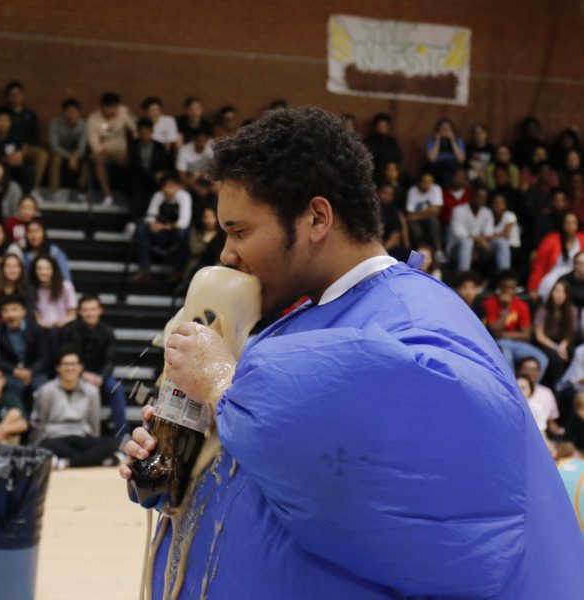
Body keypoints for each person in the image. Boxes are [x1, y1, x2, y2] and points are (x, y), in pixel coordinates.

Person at [119, 107, 584, 597]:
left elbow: (419, 430)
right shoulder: (299, 318)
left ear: (317, 218)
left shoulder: (417, 313)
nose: (226, 255)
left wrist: (222, 385)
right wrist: (176, 462)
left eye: (240, 231)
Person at [30, 349, 120, 470]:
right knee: (48, 446)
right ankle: (97, 459)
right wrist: (37, 447)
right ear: (58, 368)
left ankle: (67, 462)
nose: (70, 368)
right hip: (55, 437)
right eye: (65, 364)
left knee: (111, 444)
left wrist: (93, 441)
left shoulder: (92, 391)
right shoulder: (47, 390)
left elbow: (94, 423)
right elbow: (40, 422)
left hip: (81, 436)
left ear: (80, 367)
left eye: (73, 364)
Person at [60, 295, 127, 437]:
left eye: (93, 309)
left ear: (100, 310)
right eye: (85, 310)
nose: (89, 313)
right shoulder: (70, 330)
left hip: (100, 375)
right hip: (74, 373)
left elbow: (110, 360)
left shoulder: (107, 332)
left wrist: (100, 378)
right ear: (79, 312)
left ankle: (122, 436)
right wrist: (82, 374)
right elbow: (65, 356)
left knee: (116, 388)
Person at [483, 270, 549, 377]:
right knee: (506, 357)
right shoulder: (490, 303)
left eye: (512, 288)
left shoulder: (521, 305)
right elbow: (494, 332)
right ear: (500, 287)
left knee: (542, 359)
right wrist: (505, 309)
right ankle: (512, 390)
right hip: (497, 344)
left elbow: (526, 335)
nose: (509, 291)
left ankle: (528, 388)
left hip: (517, 344)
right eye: (505, 288)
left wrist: (505, 335)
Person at [133, 174, 192, 282]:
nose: (166, 189)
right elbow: (150, 216)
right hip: (160, 233)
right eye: (164, 186)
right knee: (142, 229)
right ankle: (144, 269)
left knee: (184, 233)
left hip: (175, 233)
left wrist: (164, 227)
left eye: (170, 186)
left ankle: (179, 271)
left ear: (177, 187)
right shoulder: (158, 195)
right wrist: (152, 224)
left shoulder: (184, 196)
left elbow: (184, 222)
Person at [0, 295, 49, 401]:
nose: (10, 314)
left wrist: (31, 372)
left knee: (41, 386)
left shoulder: (37, 330)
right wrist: (15, 371)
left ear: (23, 312)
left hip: (35, 371)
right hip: (11, 372)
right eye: (5, 311)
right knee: (12, 385)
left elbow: (44, 358)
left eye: (14, 310)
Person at [88, 92, 136, 206]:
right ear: (103, 107)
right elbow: (94, 144)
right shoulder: (93, 119)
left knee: (134, 161)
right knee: (98, 159)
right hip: (103, 153)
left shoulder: (123, 112)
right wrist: (104, 151)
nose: (112, 111)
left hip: (122, 151)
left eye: (114, 107)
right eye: (109, 108)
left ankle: (134, 192)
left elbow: (135, 130)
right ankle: (108, 195)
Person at [529, 211, 584, 301]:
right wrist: (533, 288)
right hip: (555, 276)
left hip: (577, 276)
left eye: (574, 223)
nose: (570, 226)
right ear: (562, 224)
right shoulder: (550, 240)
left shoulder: (582, 238)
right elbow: (539, 265)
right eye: (567, 223)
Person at [533, 280, 578, 388]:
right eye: (556, 291)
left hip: (564, 342)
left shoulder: (572, 310)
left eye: (563, 292)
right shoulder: (543, 310)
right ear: (551, 293)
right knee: (556, 359)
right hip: (546, 344)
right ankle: (554, 388)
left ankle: (571, 384)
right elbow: (539, 336)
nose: (559, 295)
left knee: (574, 353)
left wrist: (562, 346)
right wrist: (556, 347)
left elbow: (570, 333)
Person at [450, 186, 504, 272]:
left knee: (501, 242)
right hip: (457, 248)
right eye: (479, 196)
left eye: (484, 198)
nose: (481, 200)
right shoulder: (459, 210)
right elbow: (459, 233)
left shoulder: (487, 212)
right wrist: (480, 240)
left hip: (479, 248)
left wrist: (479, 242)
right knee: (467, 242)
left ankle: (504, 275)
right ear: (472, 196)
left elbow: (488, 233)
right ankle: (463, 275)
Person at [128, 117, 172, 220]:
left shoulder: (159, 146)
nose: (144, 135)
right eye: (142, 132)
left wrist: (160, 173)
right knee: (138, 194)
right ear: (138, 133)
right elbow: (135, 165)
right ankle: (132, 222)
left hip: (155, 180)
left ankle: (151, 219)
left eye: (147, 132)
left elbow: (164, 163)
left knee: (154, 193)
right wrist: (152, 175)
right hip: (138, 179)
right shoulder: (133, 146)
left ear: (151, 132)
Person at [48, 98, 89, 196]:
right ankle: (53, 192)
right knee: (56, 159)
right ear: (63, 113)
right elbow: (54, 146)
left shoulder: (83, 125)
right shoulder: (55, 123)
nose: (71, 115)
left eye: (74, 112)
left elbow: (82, 147)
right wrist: (70, 157)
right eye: (68, 112)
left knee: (88, 161)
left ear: (79, 113)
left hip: (76, 153)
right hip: (60, 152)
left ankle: (80, 191)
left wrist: (75, 156)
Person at [517, 357, 564, 439]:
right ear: (519, 370)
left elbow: (550, 421)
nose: (529, 372)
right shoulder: (512, 391)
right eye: (526, 368)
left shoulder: (547, 393)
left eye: (533, 369)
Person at [32, 255, 76, 329]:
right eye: (39, 269)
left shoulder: (66, 286)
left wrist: (63, 322)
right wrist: (40, 322)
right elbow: (35, 313)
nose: (43, 272)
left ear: (53, 270)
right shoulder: (32, 289)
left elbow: (72, 314)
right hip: (41, 329)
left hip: (64, 328)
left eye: (47, 268)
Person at [404, 171, 443, 255]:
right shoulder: (412, 191)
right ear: (419, 181)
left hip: (426, 218)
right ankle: (420, 252)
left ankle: (438, 250)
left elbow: (436, 210)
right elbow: (410, 214)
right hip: (417, 221)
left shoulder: (436, 189)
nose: (427, 184)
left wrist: (417, 216)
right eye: (424, 181)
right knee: (415, 228)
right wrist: (428, 211)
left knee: (434, 221)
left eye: (429, 182)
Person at [175, 124, 214, 190]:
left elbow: (215, 169)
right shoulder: (184, 150)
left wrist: (200, 174)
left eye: (204, 141)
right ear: (194, 140)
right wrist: (195, 186)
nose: (201, 143)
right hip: (189, 178)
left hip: (206, 178)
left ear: (207, 140)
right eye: (199, 141)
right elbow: (182, 176)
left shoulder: (212, 147)